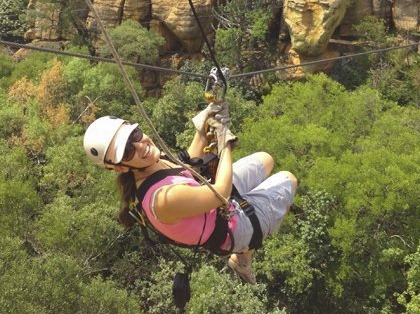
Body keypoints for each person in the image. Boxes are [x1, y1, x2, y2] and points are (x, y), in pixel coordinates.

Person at [83, 103, 297, 284]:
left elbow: (187, 163)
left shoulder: (153, 161)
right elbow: (221, 193)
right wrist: (225, 147)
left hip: (214, 201)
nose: (141, 146)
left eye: (135, 135)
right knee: (289, 179)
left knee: (266, 159)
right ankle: (242, 257)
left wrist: (208, 116)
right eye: (128, 151)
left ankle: (246, 243)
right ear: (120, 167)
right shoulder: (163, 200)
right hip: (229, 226)